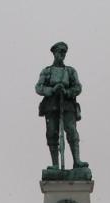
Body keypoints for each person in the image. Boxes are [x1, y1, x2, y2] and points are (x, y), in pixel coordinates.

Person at [36, 42, 89, 170]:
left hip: (67, 104)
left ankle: (77, 161)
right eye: (60, 51)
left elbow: (78, 87)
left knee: (72, 131)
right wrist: (52, 89)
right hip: (51, 105)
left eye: (64, 52)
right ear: (54, 53)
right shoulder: (47, 71)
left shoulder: (70, 71)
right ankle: (55, 164)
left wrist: (67, 92)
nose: (62, 54)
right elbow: (39, 87)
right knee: (52, 133)